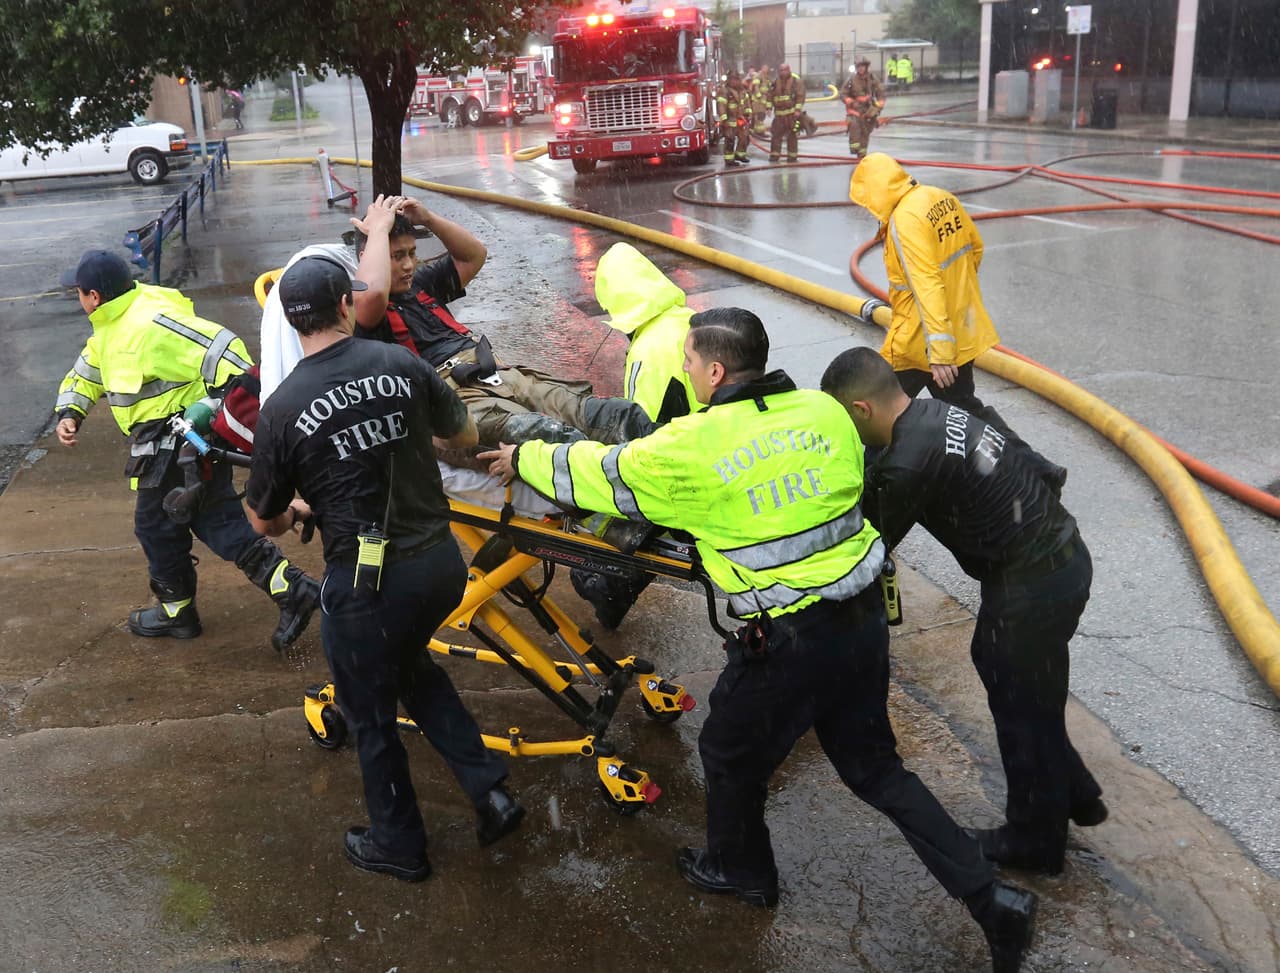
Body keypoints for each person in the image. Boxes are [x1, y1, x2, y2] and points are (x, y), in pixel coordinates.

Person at [480, 308, 1037, 973]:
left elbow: (605, 473)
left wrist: (524, 456)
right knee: (877, 769)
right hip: (859, 621)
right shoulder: (823, 412)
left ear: (715, 370)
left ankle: (740, 868)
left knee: (725, 750)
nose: (686, 372)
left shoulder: (692, 445)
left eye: (690, 363)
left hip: (787, 641)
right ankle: (993, 899)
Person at [245, 256, 525, 882]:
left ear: (292, 326)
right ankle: (491, 792)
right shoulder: (402, 365)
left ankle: (399, 845)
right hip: (437, 568)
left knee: (369, 713)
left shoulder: (283, 409)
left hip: (368, 587)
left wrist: (298, 504)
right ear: (346, 305)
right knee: (410, 669)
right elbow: (462, 433)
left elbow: (263, 523)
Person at [820, 346, 1107, 876]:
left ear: (861, 411)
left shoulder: (907, 463)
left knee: (1021, 708)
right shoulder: (934, 414)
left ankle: (1035, 842)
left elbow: (867, 547)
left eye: (845, 423)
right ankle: (1077, 793)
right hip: (1062, 557)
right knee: (1021, 687)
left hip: (1033, 582)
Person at [54, 249, 319, 651]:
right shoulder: (110, 327)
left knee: (156, 528)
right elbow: (86, 372)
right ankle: (290, 588)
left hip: (179, 445)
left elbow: (226, 352)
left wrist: (208, 409)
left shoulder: (150, 322)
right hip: (171, 449)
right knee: (216, 521)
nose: (78, 298)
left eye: (77, 291)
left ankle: (177, 612)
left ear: (93, 295)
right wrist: (70, 412)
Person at [351, 195, 654, 451]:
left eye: (412, 253)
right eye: (397, 256)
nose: (409, 265)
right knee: (551, 438)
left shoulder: (420, 285)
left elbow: (473, 255)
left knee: (615, 415)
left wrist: (428, 218)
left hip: (501, 376)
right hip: (453, 404)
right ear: (370, 256)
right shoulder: (364, 312)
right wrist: (378, 229)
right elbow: (372, 291)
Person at [848, 154, 1066, 487]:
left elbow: (927, 284)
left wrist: (939, 354)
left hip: (920, 343)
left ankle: (864, 491)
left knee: (877, 413)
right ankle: (1037, 468)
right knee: (969, 411)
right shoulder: (939, 197)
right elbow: (975, 249)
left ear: (876, 191)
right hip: (954, 333)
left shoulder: (904, 220)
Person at [569, 241, 700, 629]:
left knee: (616, 497)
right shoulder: (686, 320)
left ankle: (609, 582)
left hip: (688, 468)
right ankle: (614, 587)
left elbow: (643, 435)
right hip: (714, 446)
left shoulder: (649, 349)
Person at [840, 57, 885, 160]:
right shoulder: (851, 80)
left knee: (865, 133)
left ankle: (862, 156)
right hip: (855, 110)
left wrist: (878, 105)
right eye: (859, 66)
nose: (861, 69)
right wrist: (849, 101)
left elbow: (880, 92)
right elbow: (843, 93)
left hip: (868, 111)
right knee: (854, 127)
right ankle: (855, 149)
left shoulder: (873, 79)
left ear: (866, 67)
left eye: (863, 66)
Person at [767, 63, 805, 163]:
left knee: (792, 136)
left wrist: (797, 110)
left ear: (789, 70)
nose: (782, 72)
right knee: (775, 136)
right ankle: (774, 155)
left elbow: (800, 96)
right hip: (779, 115)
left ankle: (792, 156)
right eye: (781, 70)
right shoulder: (775, 82)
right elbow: (770, 95)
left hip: (791, 115)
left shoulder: (796, 82)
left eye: (784, 70)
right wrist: (769, 107)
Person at [716, 70, 752, 167]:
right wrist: (723, 118)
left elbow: (747, 103)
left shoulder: (743, 91)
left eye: (736, 79)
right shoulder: (724, 91)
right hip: (730, 120)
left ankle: (740, 155)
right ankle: (729, 160)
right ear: (729, 80)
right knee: (730, 140)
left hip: (741, 119)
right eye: (732, 79)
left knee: (745, 138)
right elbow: (721, 105)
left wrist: (748, 114)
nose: (734, 82)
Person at [748, 65, 772, 137]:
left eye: (767, 69)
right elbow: (756, 87)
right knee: (758, 117)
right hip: (758, 101)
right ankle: (758, 132)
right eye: (765, 68)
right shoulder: (758, 76)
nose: (766, 70)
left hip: (763, 99)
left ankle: (759, 131)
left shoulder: (766, 77)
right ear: (762, 68)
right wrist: (759, 95)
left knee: (761, 116)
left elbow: (769, 87)